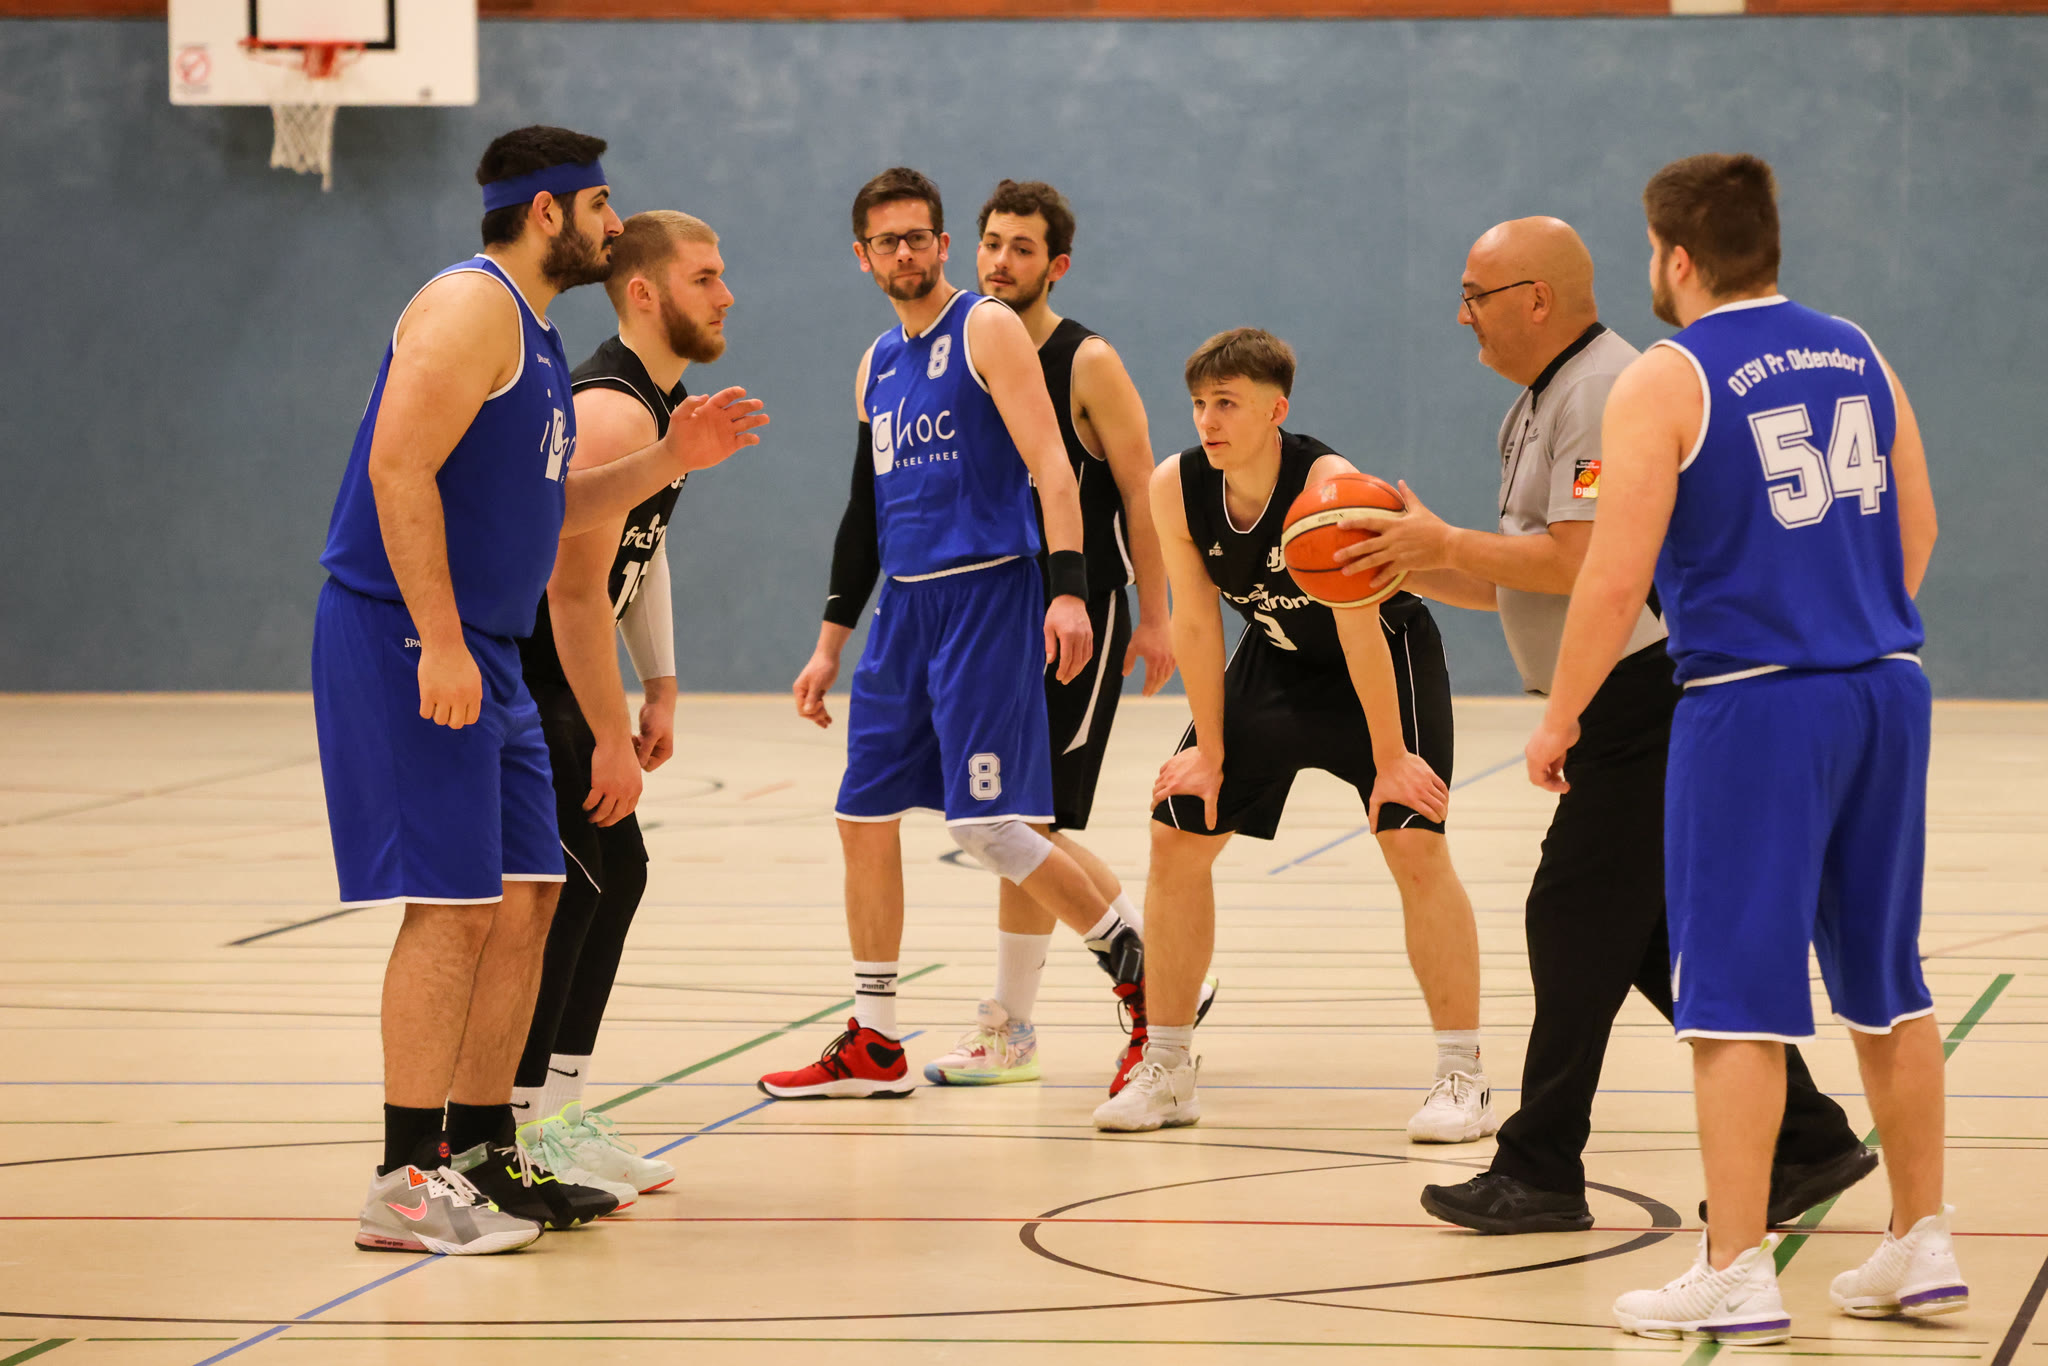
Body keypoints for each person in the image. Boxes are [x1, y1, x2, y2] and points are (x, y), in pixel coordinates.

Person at [1335, 217, 1872, 1234]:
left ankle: (1539, 1169)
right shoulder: (1542, 399)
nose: (1461, 315)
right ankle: (1807, 1137)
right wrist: (1410, 562)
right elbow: (1528, 580)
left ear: (1535, 298)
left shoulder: (1599, 391)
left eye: (1475, 294)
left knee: (1569, 917)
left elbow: (1581, 561)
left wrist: (1444, 540)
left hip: (1645, 696)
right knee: (1642, 938)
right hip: (1621, 700)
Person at [1525, 154, 1956, 1343]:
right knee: (1887, 984)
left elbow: (1612, 578)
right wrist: (1841, 627)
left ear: (1673, 256)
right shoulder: (1857, 351)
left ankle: (1733, 1266)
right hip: (1884, 687)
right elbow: (1916, 524)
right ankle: (1921, 1239)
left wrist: (1559, 716)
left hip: (1752, 705)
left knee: (1731, 999)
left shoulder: (1665, 375)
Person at [318, 126, 767, 1255]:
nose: (616, 224)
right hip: (410, 632)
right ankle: (403, 1179)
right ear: (549, 211)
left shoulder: (538, 333)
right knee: (455, 906)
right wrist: (438, 639)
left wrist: (670, 460)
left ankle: (486, 1153)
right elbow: (395, 466)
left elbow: (551, 510)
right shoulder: (469, 306)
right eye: (602, 205)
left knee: (530, 894)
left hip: (491, 643)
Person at [793, 178, 1199, 1094]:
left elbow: (1072, 471)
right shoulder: (877, 364)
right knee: (872, 814)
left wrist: (1090, 598)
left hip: (1006, 595)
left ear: (941, 246)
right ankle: (884, 1038)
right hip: (907, 607)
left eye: (919, 237)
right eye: (887, 241)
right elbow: (865, 510)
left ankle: (1145, 974)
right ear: (863, 256)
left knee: (1000, 821)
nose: (907, 253)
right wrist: (829, 642)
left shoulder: (1001, 334)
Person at [1094, 328, 1489, 1140]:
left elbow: (1357, 625)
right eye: (1200, 403)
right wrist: (1208, 751)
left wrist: (1390, 759)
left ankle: (1464, 1077)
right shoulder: (1178, 486)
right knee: (1178, 830)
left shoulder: (1329, 485)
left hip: (1379, 656)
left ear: (1276, 411)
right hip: (1275, 660)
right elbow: (1197, 622)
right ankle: (1167, 1067)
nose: (1208, 420)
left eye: (1228, 403)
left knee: (1413, 838)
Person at [507, 211, 738, 1205]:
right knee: (569, 891)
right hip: (534, 673)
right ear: (643, 292)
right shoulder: (611, 409)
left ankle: (557, 1115)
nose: (725, 295)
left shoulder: (662, 404)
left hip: (576, 671)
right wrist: (608, 732)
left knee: (618, 875)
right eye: (704, 277)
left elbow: (640, 545)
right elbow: (570, 591)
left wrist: (661, 680)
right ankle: (516, 1128)